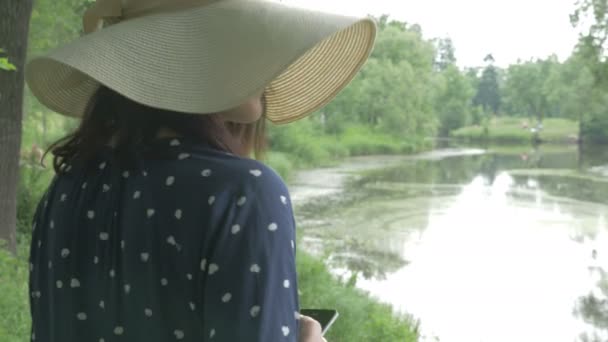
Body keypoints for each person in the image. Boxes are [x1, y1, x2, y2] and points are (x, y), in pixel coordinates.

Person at [24, 0, 376, 341]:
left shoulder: (64, 191)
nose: (263, 62)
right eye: (244, 39)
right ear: (192, 56)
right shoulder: (244, 193)